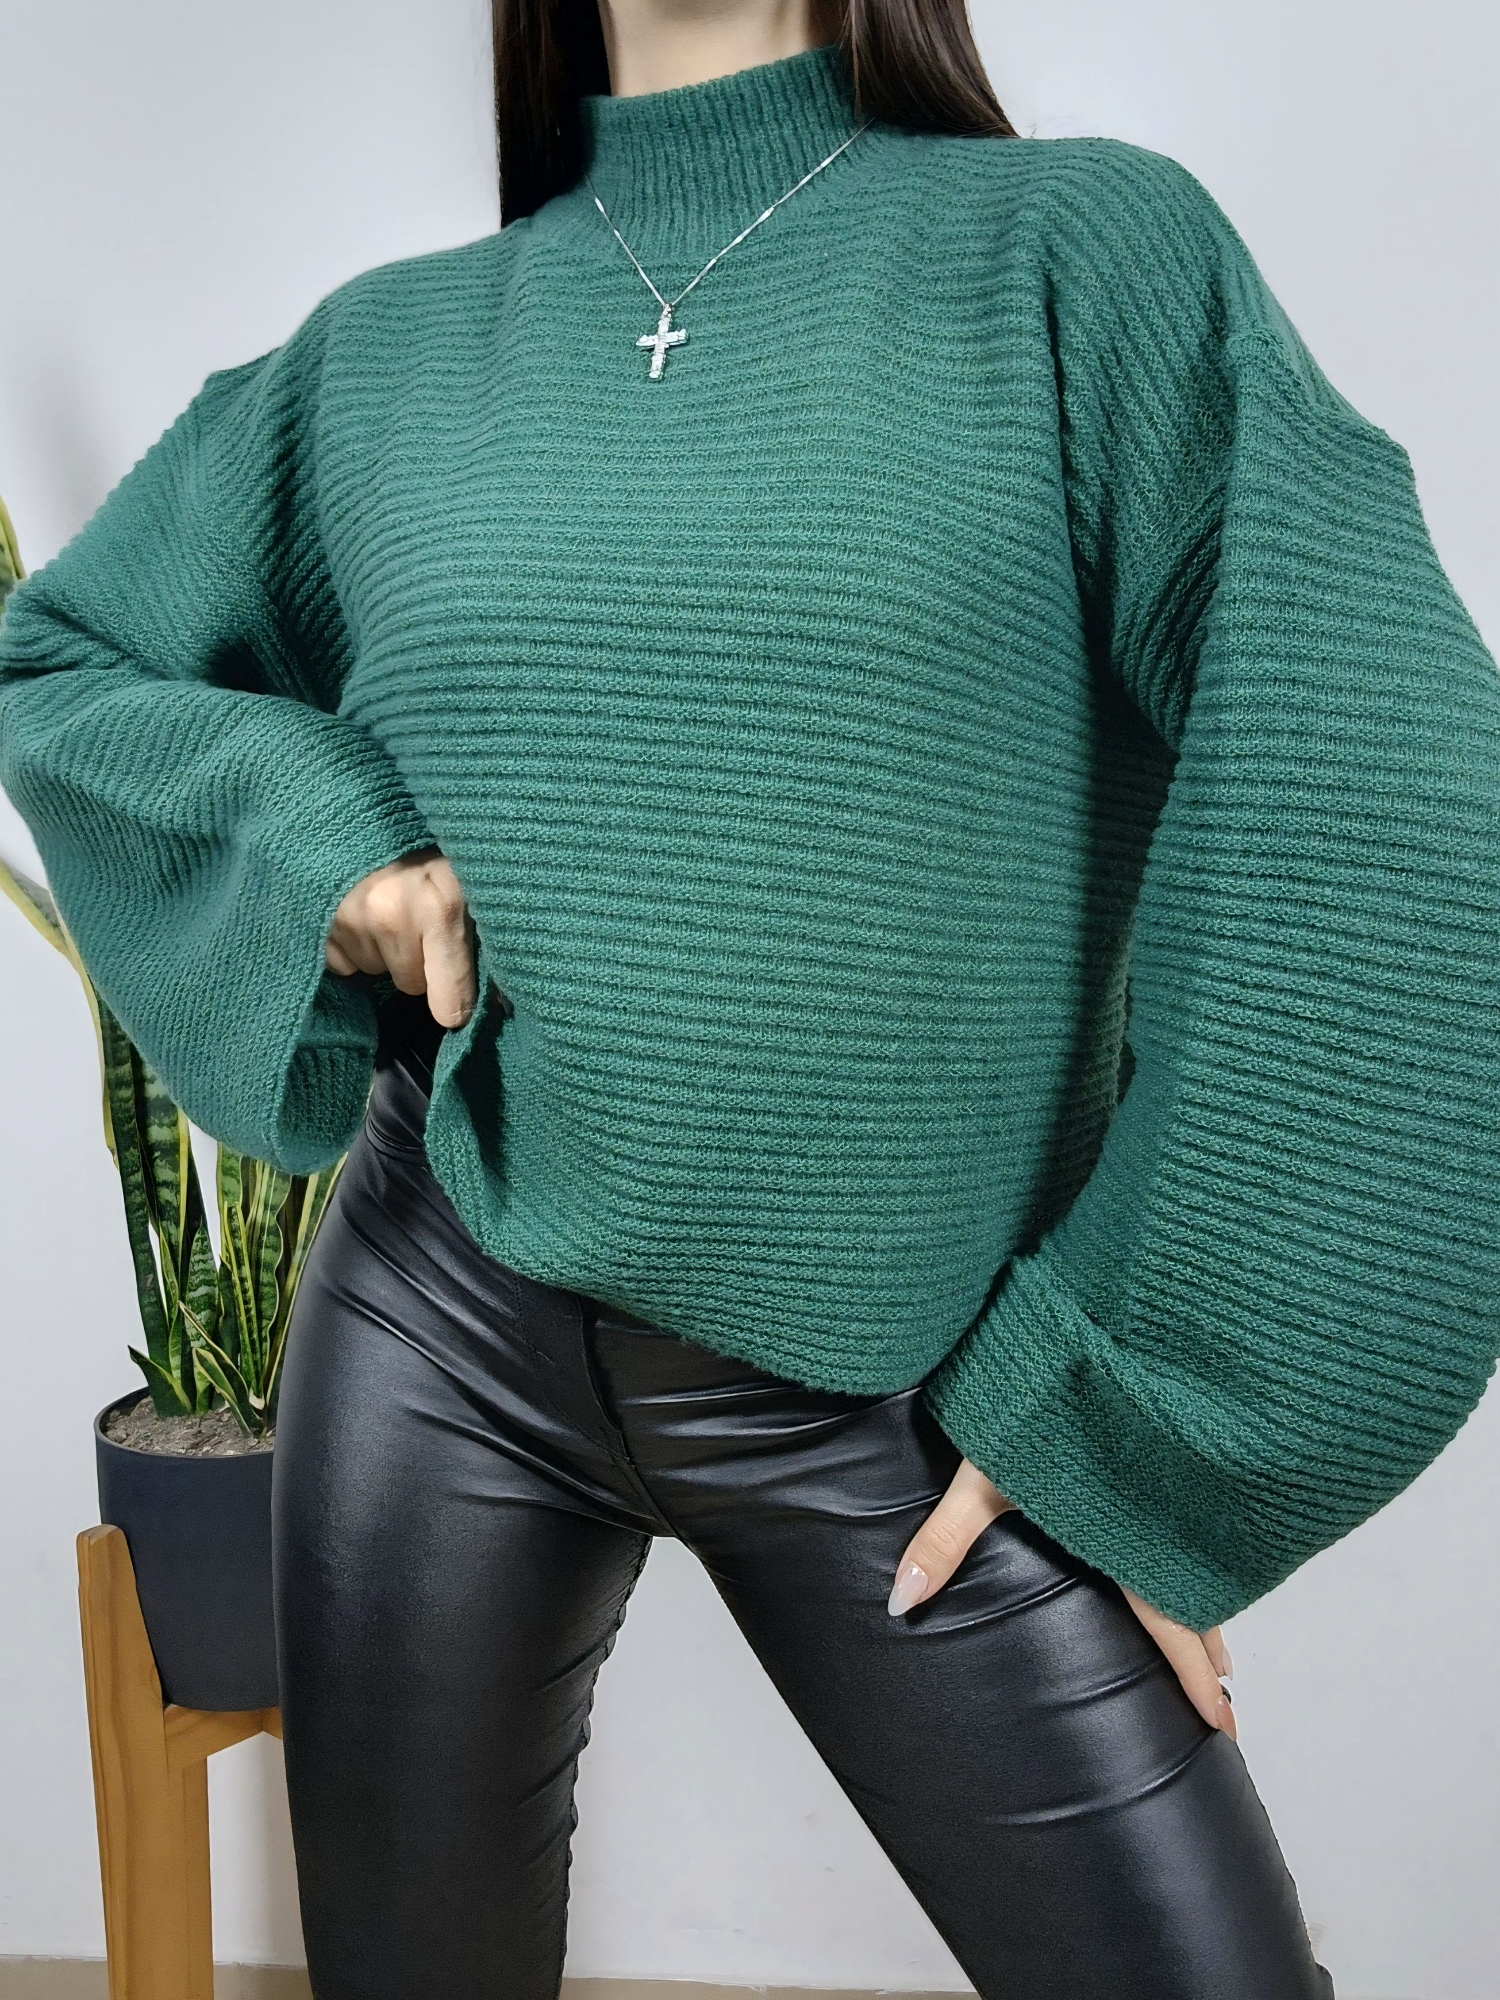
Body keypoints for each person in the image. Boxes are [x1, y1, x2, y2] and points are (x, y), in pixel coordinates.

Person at [3, 0, 1498, 1989]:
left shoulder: (1080, 259)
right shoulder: (381, 355)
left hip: (905, 1389)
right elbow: (55, 661)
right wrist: (327, 851)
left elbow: (1386, 791)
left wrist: (1145, 1419)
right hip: (436, 1327)